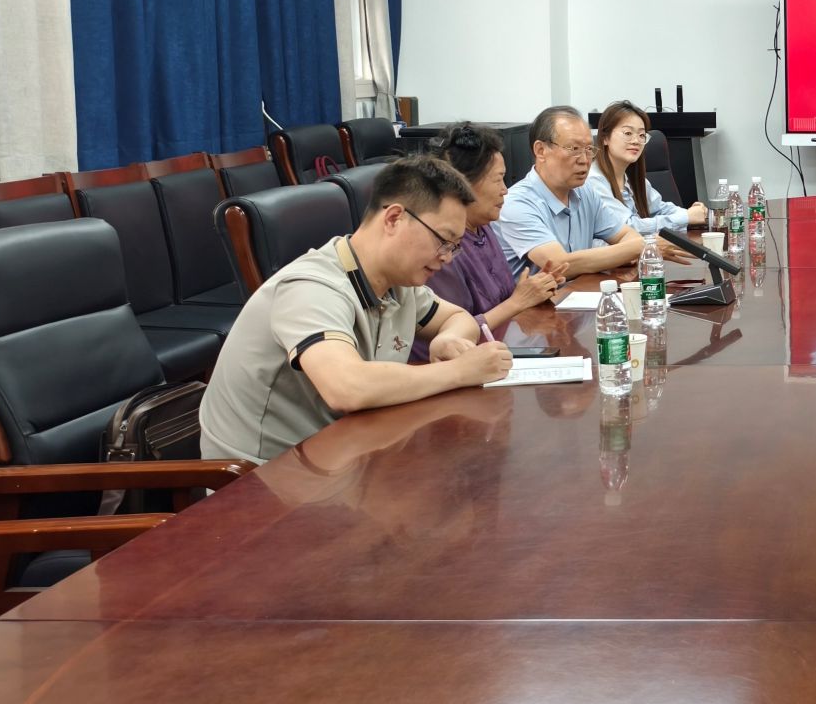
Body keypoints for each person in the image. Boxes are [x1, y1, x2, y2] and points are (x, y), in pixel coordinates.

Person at [199, 155, 514, 465]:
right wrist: (459, 371)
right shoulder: (311, 287)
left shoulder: (399, 283)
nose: (447, 257)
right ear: (394, 219)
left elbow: (457, 318)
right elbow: (347, 387)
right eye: (443, 240)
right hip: (264, 476)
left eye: (454, 247)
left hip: (343, 453)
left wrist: (447, 339)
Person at [410, 122, 568, 362]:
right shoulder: (441, 247)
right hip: (448, 366)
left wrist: (534, 290)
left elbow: (500, 301)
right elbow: (452, 339)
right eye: (498, 180)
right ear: (463, 184)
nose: (505, 190)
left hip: (496, 349)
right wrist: (517, 302)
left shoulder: (483, 226)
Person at [497, 105, 643, 278]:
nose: (584, 160)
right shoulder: (516, 203)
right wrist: (637, 248)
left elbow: (627, 235)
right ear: (541, 150)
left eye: (589, 149)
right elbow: (558, 265)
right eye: (574, 149)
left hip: (580, 291)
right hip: (541, 297)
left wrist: (632, 248)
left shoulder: (585, 192)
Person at [585, 99, 709, 235]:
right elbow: (627, 228)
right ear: (605, 138)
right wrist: (686, 217)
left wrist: (693, 213)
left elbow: (660, 208)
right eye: (628, 133)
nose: (636, 141)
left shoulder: (632, 179)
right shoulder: (594, 181)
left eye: (642, 135)